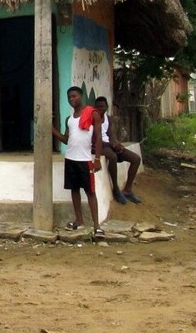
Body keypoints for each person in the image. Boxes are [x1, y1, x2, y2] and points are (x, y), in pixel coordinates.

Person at [52, 86, 105, 238]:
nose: (71, 99)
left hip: (85, 160)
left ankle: (97, 226)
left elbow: (98, 137)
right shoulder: (70, 119)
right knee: (74, 190)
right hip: (70, 159)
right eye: (69, 97)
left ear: (80, 96)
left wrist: (97, 159)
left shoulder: (92, 113)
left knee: (90, 192)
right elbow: (67, 140)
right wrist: (53, 130)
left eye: (74, 96)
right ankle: (79, 220)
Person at [94, 96, 142, 204]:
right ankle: (115, 189)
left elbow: (110, 134)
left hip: (109, 145)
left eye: (102, 107)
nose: (100, 109)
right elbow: (95, 139)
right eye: (97, 107)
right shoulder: (92, 119)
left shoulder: (108, 119)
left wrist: (117, 144)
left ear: (107, 107)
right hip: (98, 146)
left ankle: (127, 190)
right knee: (112, 156)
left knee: (136, 159)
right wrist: (111, 145)